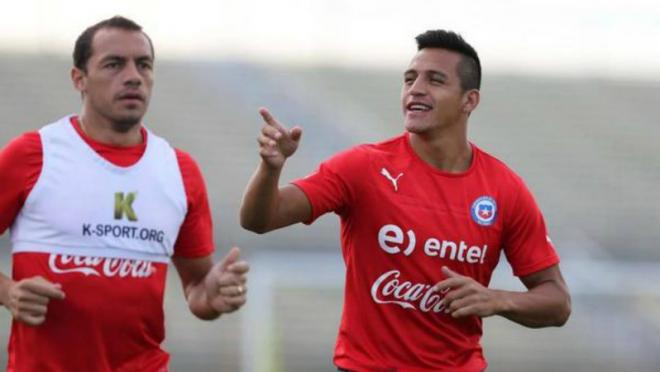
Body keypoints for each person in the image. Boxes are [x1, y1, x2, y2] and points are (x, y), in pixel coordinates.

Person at [240, 30, 571, 371]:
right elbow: (260, 219)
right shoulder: (362, 167)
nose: (416, 89)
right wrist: (269, 169)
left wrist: (497, 299)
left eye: (435, 80)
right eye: (409, 79)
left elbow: (557, 302)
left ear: (469, 100)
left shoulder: (505, 189)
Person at [0, 16, 249, 371]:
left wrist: (215, 292)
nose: (133, 76)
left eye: (143, 65)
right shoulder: (33, 155)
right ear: (79, 79)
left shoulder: (179, 170)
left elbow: (197, 290)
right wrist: (8, 292)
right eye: (114, 64)